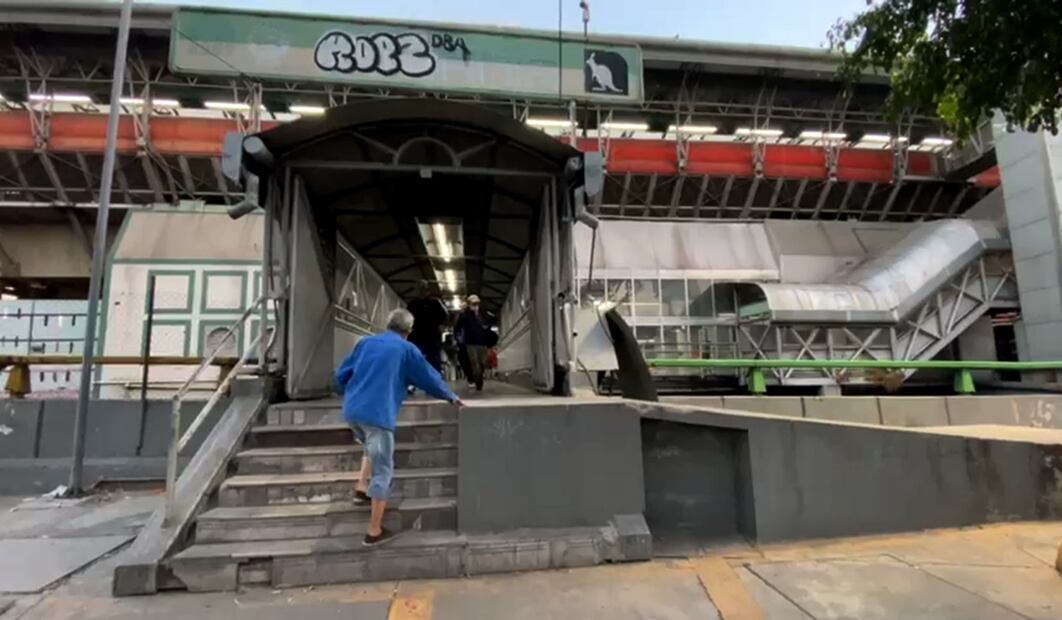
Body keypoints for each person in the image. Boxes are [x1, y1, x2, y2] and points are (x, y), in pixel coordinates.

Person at [334, 308, 463, 546]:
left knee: (370, 446)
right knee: (383, 470)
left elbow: (341, 374)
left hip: (352, 412)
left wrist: (351, 393)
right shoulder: (406, 349)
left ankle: (361, 486)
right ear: (409, 331)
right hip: (377, 415)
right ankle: (373, 531)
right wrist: (450, 396)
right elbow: (427, 376)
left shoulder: (365, 343)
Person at [405, 280, 449, 373]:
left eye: (422, 288)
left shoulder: (435, 303)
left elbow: (444, 316)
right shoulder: (412, 304)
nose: (420, 290)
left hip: (432, 336)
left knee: (434, 359)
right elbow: (406, 318)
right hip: (416, 336)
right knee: (414, 358)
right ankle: (414, 380)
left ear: (426, 289)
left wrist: (441, 326)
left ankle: (436, 379)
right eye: (419, 288)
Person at [454, 294, 493, 391]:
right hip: (470, 343)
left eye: (477, 304)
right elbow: (457, 327)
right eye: (473, 304)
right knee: (474, 362)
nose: (475, 306)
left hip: (482, 342)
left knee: (483, 362)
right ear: (469, 304)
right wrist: (458, 338)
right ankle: (477, 380)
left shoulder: (482, 314)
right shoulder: (464, 316)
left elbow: (490, 322)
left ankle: (479, 376)